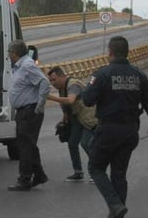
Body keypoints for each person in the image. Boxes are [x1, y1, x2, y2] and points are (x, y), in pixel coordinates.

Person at [81, 35, 148, 218]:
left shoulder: (102, 74)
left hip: (108, 130)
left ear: (110, 52)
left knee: (95, 167)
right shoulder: (139, 75)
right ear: (127, 52)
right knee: (119, 173)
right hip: (129, 131)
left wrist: (94, 86)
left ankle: (115, 206)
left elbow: (88, 100)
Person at [6, 39, 50, 191]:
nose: (8, 55)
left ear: (15, 53)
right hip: (23, 111)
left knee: (25, 146)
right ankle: (39, 175)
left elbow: (44, 82)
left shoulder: (27, 65)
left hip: (30, 111)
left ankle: (24, 179)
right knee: (28, 145)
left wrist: (40, 104)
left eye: (9, 52)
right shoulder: (19, 66)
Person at [46, 66, 99, 182]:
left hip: (87, 118)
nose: (52, 83)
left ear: (62, 76)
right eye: (50, 81)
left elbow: (70, 100)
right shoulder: (62, 88)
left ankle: (97, 171)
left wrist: (50, 97)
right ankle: (78, 172)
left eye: (54, 80)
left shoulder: (73, 85)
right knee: (72, 143)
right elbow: (67, 105)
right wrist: (64, 117)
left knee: (85, 142)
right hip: (76, 118)